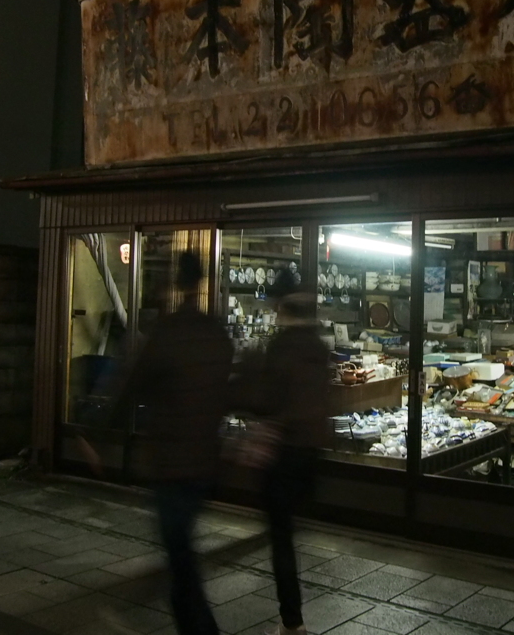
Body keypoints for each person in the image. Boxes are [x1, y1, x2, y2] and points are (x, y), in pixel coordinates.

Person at [84, 252, 233, 635]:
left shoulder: (166, 332)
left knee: (179, 551)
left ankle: (201, 628)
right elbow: (229, 391)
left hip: (170, 459)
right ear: (200, 284)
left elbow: (128, 388)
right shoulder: (216, 332)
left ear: (173, 284)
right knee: (180, 546)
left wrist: (96, 437)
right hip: (205, 458)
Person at [249, 269, 330, 635]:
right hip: (310, 449)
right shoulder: (317, 345)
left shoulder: (281, 346)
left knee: (281, 539)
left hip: (283, 450)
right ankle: (291, 620)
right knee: (286, 531)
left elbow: (265, 398)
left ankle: (292, 622)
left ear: (282, 306)